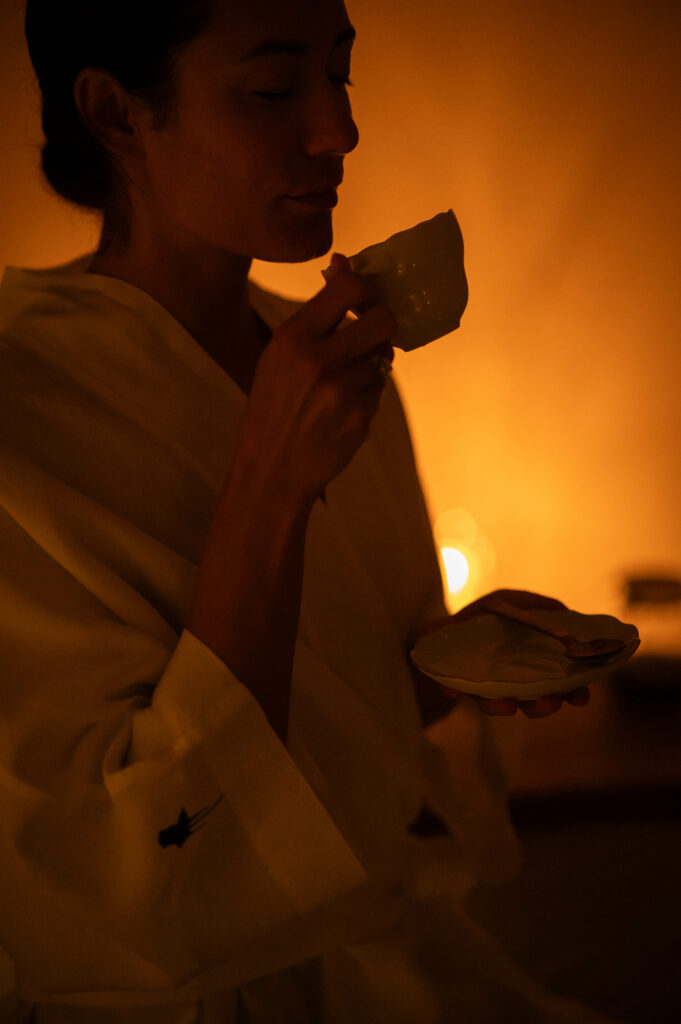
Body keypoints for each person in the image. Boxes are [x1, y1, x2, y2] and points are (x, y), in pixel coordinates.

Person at [0, 0, 617, 1021]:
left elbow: (341, 721)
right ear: (114, 112)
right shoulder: (23, 407)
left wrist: (455, 663)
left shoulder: (332, 367)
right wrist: (269, 485)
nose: (339, 130)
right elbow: (105, 881)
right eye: (273, 87)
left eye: (341, 74)